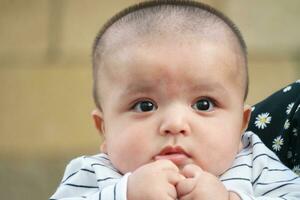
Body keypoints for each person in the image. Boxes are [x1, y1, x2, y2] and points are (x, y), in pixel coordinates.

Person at [50, 1, 300, 199]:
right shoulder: (93, 173)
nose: (175, 123)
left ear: (241, 124)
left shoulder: (257, 164)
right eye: (144, 105)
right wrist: (126, 194)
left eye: (204, 104)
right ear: (104, 129)